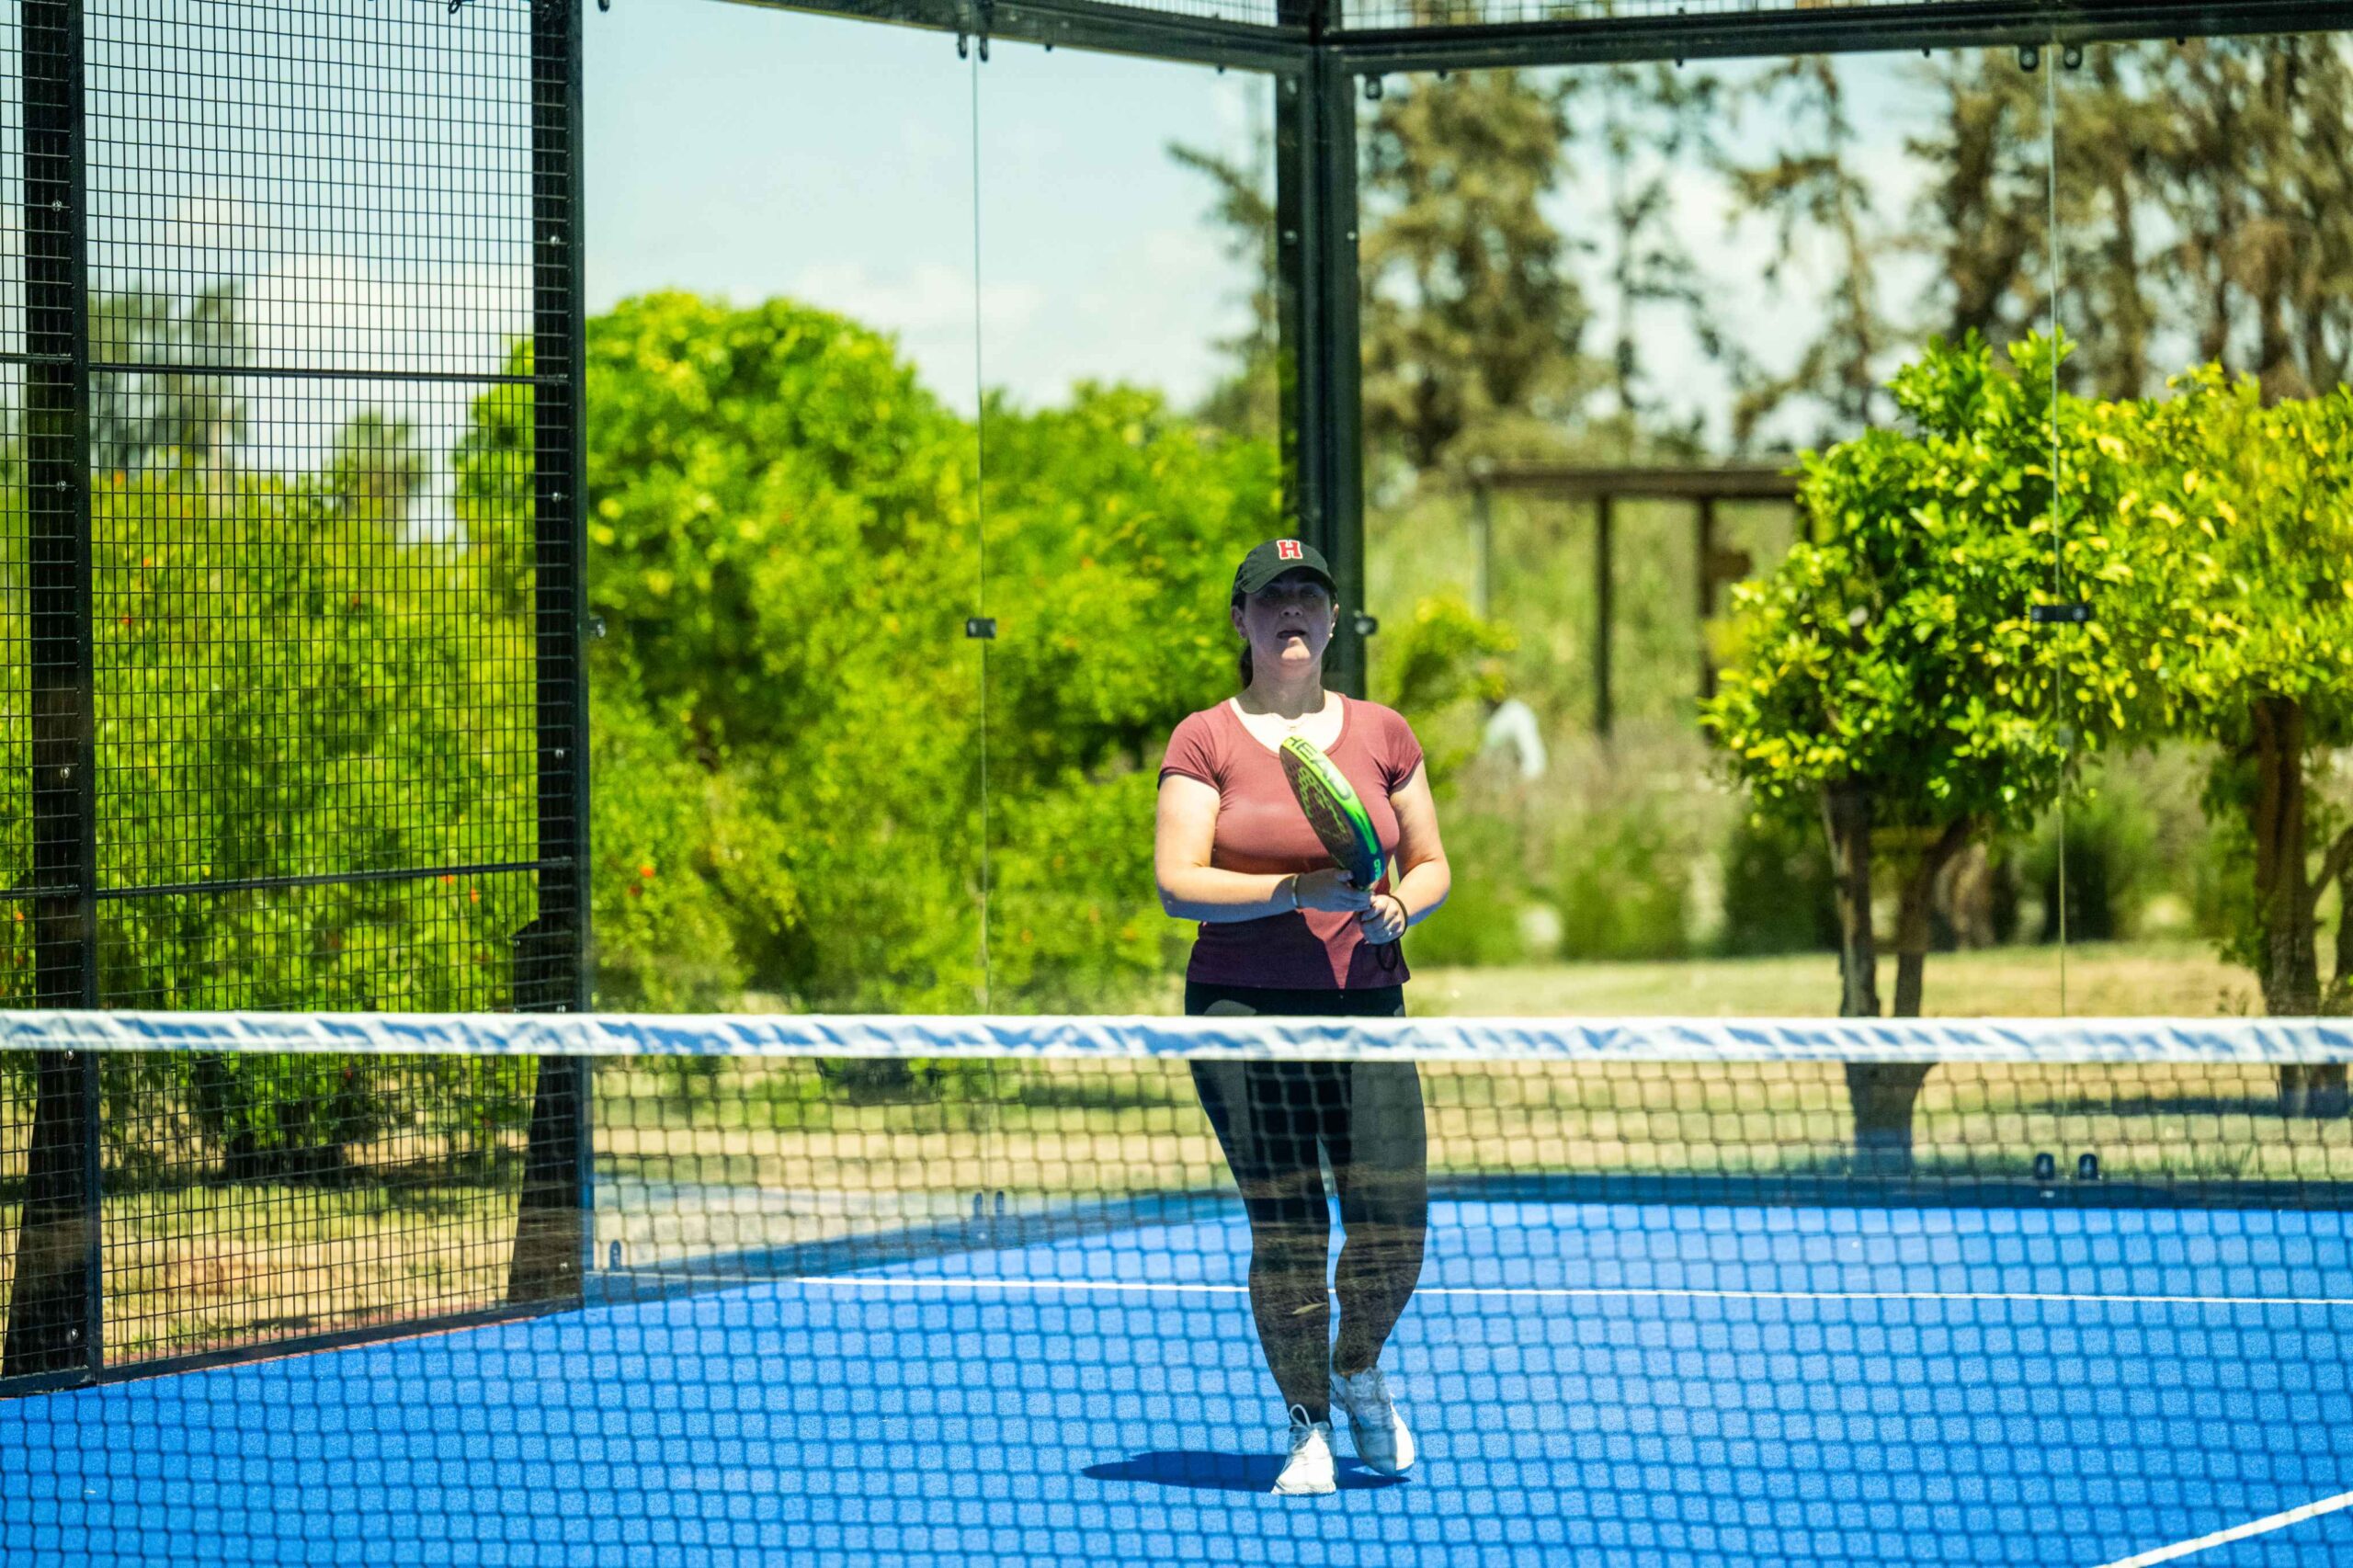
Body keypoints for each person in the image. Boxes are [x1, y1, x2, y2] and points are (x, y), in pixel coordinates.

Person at [1153, 538, 1452, 1495]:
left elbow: (1431, 863)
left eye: (1308, 596)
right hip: (1241, 1011)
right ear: (1240, 619)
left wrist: (1401, 904)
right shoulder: (1204, 738)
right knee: (1286, 1227)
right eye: (1272, 596)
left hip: (1366, 1005)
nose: (1292, 610)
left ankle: (1356, 1367)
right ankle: (1308, 1424)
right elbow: (1177, 882)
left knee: (1395, 1222)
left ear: (1330, 621)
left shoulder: (1384, 731)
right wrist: (1292, 890)